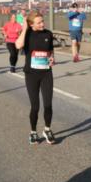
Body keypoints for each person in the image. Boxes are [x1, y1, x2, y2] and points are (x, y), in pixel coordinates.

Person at [15, 10, 56, 144]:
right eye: (39, 23)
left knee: (48, 105)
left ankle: (47, 129)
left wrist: (52, 59)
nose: (42, 24)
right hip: (31, 75)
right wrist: (25, 28)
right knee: (35, 107)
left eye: (42, 21)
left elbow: (50, 52)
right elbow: (18, 45)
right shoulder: (27, 34)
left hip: (46, 73)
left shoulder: (48, 34)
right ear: (32, 24)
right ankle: (33, 131)